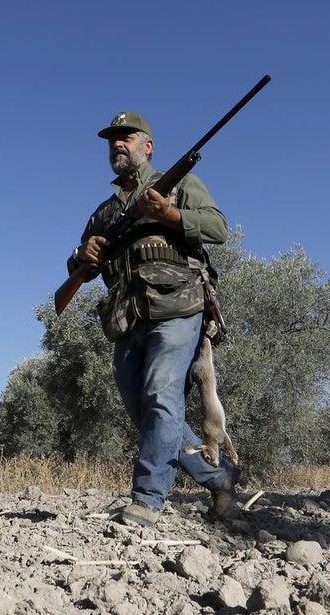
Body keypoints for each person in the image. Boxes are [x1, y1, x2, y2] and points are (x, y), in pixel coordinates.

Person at [68, 110, 239, 528]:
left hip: (177, 304)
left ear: (148, 146)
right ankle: (219, 479)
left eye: (127, 137)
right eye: (112, 139)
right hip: (127, 316)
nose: (117, 144)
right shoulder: (104, 213)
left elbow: (219, 228)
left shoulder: (181, 184)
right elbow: (79, 265)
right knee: (148, 412)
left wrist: (169, 215)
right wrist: (82, 255)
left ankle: (147, 499)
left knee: (162, 395)